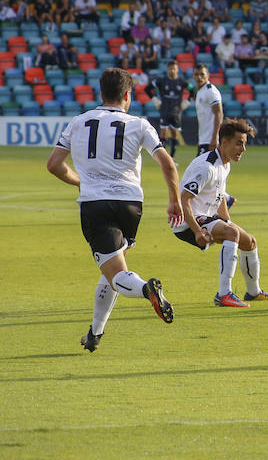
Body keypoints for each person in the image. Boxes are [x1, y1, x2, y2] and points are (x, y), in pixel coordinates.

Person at [46, 68, 182, 352]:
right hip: (131, 205)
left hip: (95, 205)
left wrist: (79, 181)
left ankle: (147, 289)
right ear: (127, 96)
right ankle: (96, 333)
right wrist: (175, 201)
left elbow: (54, 164)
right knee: (114, 270)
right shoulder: (140, 124)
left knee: (117, 274)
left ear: (101, 93)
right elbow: (168, 164)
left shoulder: (79, 122)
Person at [172, 118, 268, 307]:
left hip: (207, 216)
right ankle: (224, 294)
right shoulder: (206, 168)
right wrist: (198, 231)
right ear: (224, 142)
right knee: (233, 234)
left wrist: (228, 223)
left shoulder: (225, 163)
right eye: (239, 143)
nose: (243, 149)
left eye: (245, 144)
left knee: (250, 242)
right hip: (186, 222)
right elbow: (183, 200)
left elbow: (220, 196)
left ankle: (253, 292)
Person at [192, 63, 236, 209]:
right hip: (204, 140)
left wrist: (214, 138)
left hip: (210, 140)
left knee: (203, 172)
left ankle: (222, 201)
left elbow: (219, 113)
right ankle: (225, 199)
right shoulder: (200, 91)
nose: (199, 77)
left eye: (202, 75)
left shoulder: (211, 91)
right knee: (206, 172)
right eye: (196, 74)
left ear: (208, 76)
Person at [147, 61, 192, 161]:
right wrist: (156, 101)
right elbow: (148, 88)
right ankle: (163, 157)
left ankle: (172, 157)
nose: (172, 70)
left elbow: (193, 91)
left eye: (174, 69)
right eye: (170, 68)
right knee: (163, 132)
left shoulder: (182, 82)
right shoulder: (162, 80)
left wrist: (186, 103)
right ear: (168, 69)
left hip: (176, 111)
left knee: (174, 134)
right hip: (165, 110)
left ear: (177, 70)